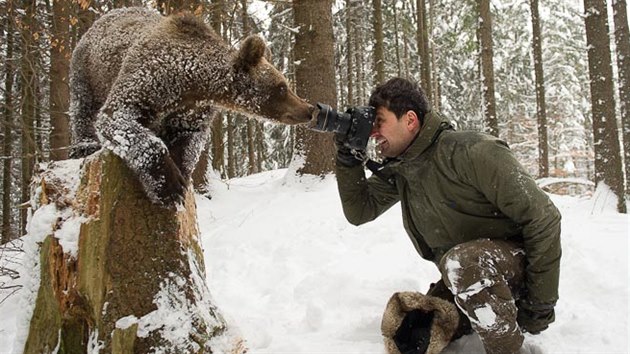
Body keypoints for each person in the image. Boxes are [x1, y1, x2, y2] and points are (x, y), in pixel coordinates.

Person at [334, 77, 561, 354]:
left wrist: (539, 306)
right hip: (467, 277)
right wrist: (348, 159)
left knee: (463, 264)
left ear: (410, 120)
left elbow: (544, 219)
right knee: (410, 329)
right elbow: (360, 210)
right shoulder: (405, 169)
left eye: (379, 122)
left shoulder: (472, 151)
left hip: (514, 270)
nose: (373, 133)